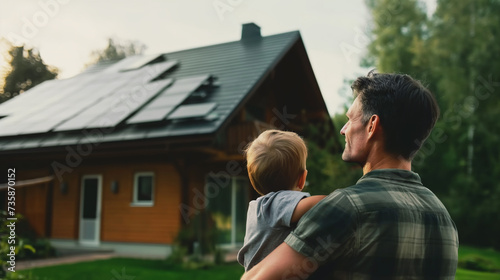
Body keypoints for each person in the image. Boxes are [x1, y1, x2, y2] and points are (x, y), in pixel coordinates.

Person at [242, 71, 459, 279]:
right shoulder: (444, 220)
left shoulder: (347, 208)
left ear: (372, 125)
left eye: (350, 119)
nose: (343, 129)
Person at [237, 129, 326, 271]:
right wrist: (340, 197)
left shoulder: (258, 207)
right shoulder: (278, 202)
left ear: (253, 182)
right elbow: (314, 205)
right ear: (302, 179)